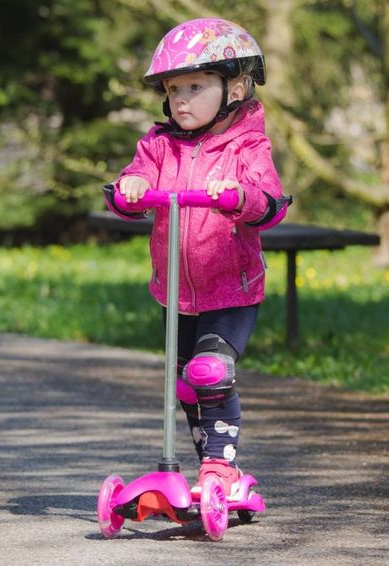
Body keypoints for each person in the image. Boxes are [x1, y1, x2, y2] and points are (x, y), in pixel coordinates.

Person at [106, 18, 290, 498]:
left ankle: (220, 469)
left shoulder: (247, 145)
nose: (181, 99)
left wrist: (239, 196)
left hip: (230, 288)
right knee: (187, 385)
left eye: (195, 85)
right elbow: (134, 180)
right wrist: (131, 189)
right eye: (173, 88)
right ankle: (202, 469)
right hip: (176, 292)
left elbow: (267, 199)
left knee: (210, 372)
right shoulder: (159, 144)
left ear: (234, 87)